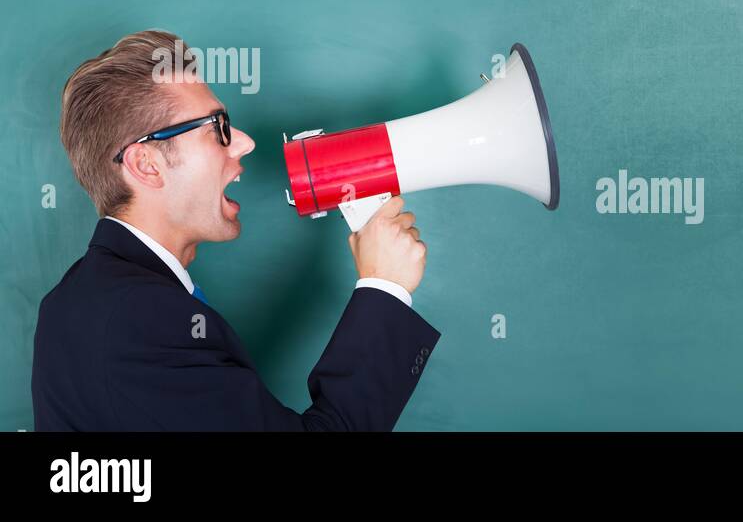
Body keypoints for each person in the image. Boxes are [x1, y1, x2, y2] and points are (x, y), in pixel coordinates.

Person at [32, 30, 439, 431]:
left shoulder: (77, 301)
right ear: (147, 164)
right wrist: (385, 287)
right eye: (218, 127)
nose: (243, 142)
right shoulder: (141, 317)